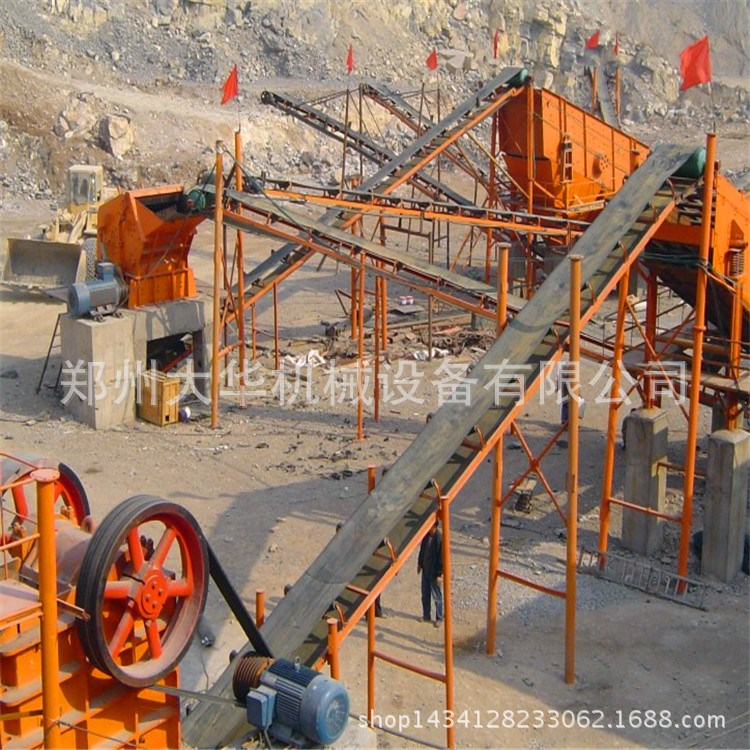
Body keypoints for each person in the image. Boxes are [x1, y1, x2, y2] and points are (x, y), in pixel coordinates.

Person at [418, 521, 443, 627]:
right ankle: (426, 615)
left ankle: (439, 618)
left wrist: (439, 574)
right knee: (425, 594)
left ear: (434, 526)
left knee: (437, 596)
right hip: (426, 569)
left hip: (434, 572)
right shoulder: (426, 536)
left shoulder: (439, 539)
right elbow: (422, 550)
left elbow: (441, 558)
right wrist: (419, 564)